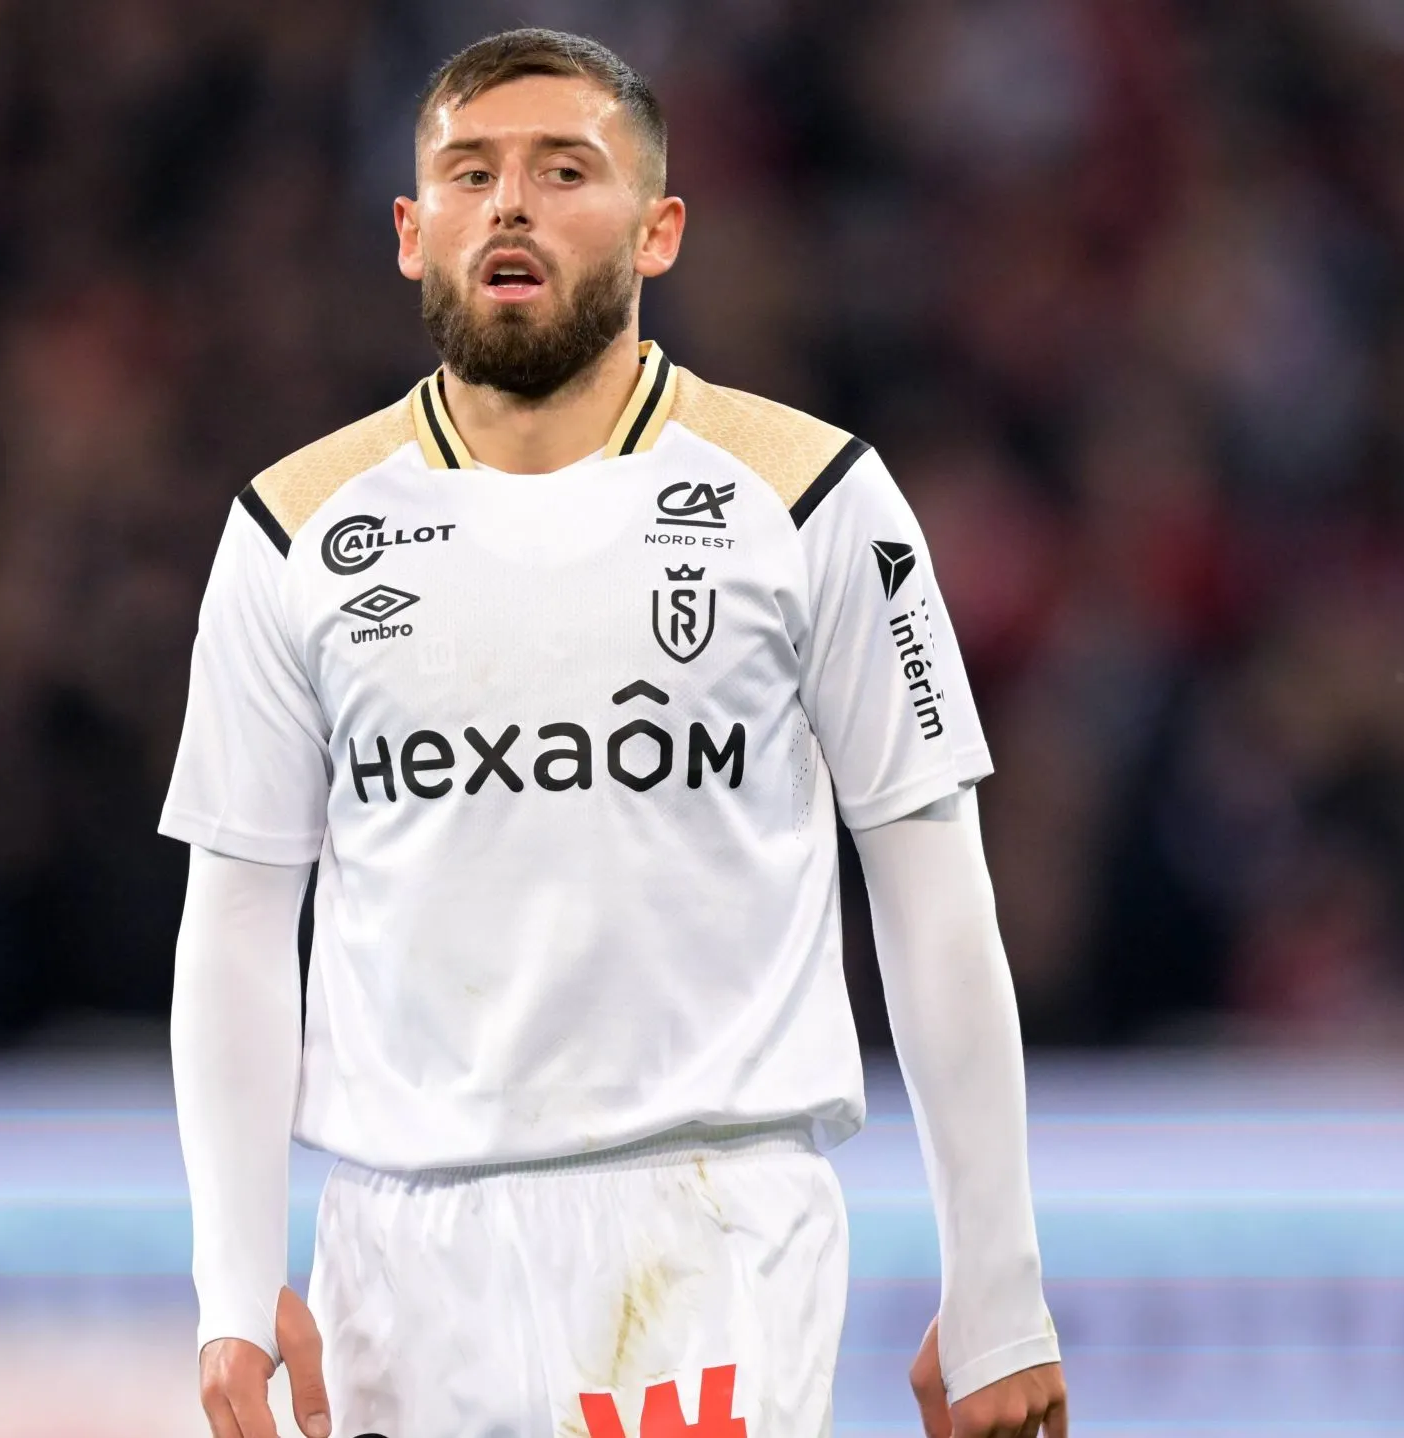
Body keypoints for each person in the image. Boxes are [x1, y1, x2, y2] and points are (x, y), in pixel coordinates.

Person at [161, 28, 1067, 1438]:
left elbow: (934, 879)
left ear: (660, 230)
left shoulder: (815, 499)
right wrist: (232, 1285)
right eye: (469, 174)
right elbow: (235, 914)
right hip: (400, 1253)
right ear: (411, 232)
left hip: (707, 1220)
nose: (508, 205)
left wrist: (999, 1291)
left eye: (561, 169)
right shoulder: (294, 529)